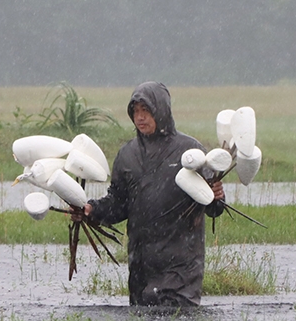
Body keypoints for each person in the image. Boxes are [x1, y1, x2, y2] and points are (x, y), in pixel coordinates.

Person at [75, 81, 224, 306]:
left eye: (146, 110)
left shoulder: (190, 152)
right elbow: (119, 203)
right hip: (141, 263)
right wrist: (92, 210)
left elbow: (213, 206)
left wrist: (217, 196)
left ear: (161, 111)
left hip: (181, 264)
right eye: (135, 111)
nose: (140, 117)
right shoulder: (127, 155)